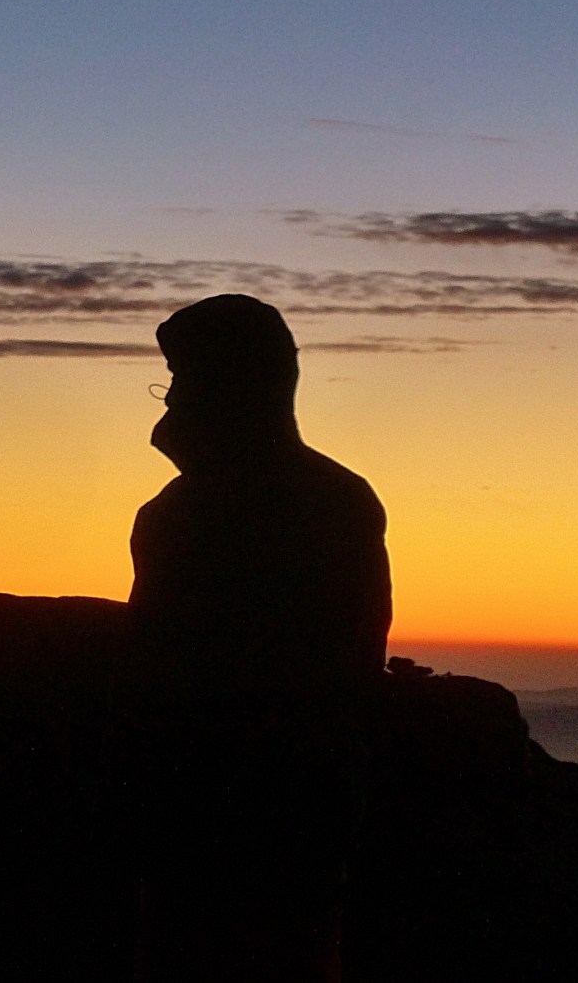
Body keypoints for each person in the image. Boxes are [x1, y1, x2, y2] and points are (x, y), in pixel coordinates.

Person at [122, 295, 391, 981]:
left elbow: (164, 660)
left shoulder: (184, 514)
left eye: (181, 385)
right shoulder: (344, 495)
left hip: (215, 798)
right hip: (318, 794)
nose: (169, 407)